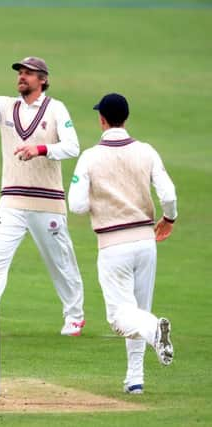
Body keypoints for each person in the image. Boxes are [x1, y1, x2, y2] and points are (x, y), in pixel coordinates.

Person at [0, 45, 85, 337]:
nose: (22, 77)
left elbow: (73, 146)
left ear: (43, 80)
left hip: (48, 201)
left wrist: (40, 149)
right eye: (20, 73)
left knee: (61, 261)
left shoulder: (56, 109)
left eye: (28, 73)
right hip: (12, 200)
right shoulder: (6, 107)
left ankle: (74, 316)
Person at [68, 93, 176, 394]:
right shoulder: (146, 150)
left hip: (112, 243)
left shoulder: (90, 156)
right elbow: (168, 194)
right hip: (145, 241)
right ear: (125, 119)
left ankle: (156, 330)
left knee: (120, 317)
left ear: (101, 119)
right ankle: (135, 379)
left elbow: (75, 205)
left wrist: (101, 195)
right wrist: (169, 219)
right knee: (138, 311)